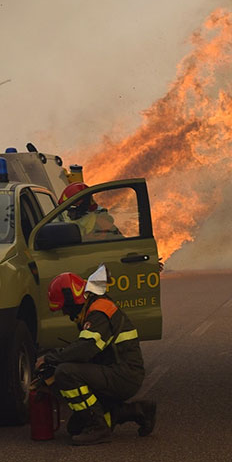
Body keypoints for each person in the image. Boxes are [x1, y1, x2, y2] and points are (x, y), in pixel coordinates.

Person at [35, 264, 156, 445]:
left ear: (72, 299)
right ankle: (138, 411)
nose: (66, 313)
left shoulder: (99, 311)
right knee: (74, 428)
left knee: (66, 373)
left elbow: (85, 349)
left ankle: (99, 427)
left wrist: (50, 358)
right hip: (115, 370)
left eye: (65, 308)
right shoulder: (92, 309)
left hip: (123, 375)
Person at [57, 182, 122, 241]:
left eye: (71, 210)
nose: (68, 214)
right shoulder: (70, 224)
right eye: (67, 210)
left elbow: (123, 246)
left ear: (82, 209)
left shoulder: (103, 225)